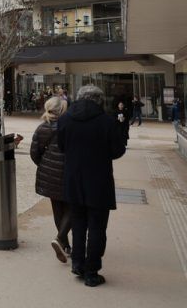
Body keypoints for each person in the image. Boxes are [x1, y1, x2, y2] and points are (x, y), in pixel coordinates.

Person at [58, 85, 127, 287]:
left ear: (79, 98)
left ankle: (78, 264)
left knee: (78, 225)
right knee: (97, 227)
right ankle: (92, 271)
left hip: (73, 180)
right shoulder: (106, 122)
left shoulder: (65, 119)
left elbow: (62, 147)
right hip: (99, 182)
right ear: (99, 100)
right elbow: (117, 150)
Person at [30, 96, 71, 263]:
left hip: (49, 173)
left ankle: (65, 245)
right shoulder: (68, 127)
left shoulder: (41, 128)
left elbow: (34, 153)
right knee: (73, 207)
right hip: (68, 172)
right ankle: (61, 239)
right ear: (62, 110)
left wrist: (45, 165)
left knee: (57, 209)